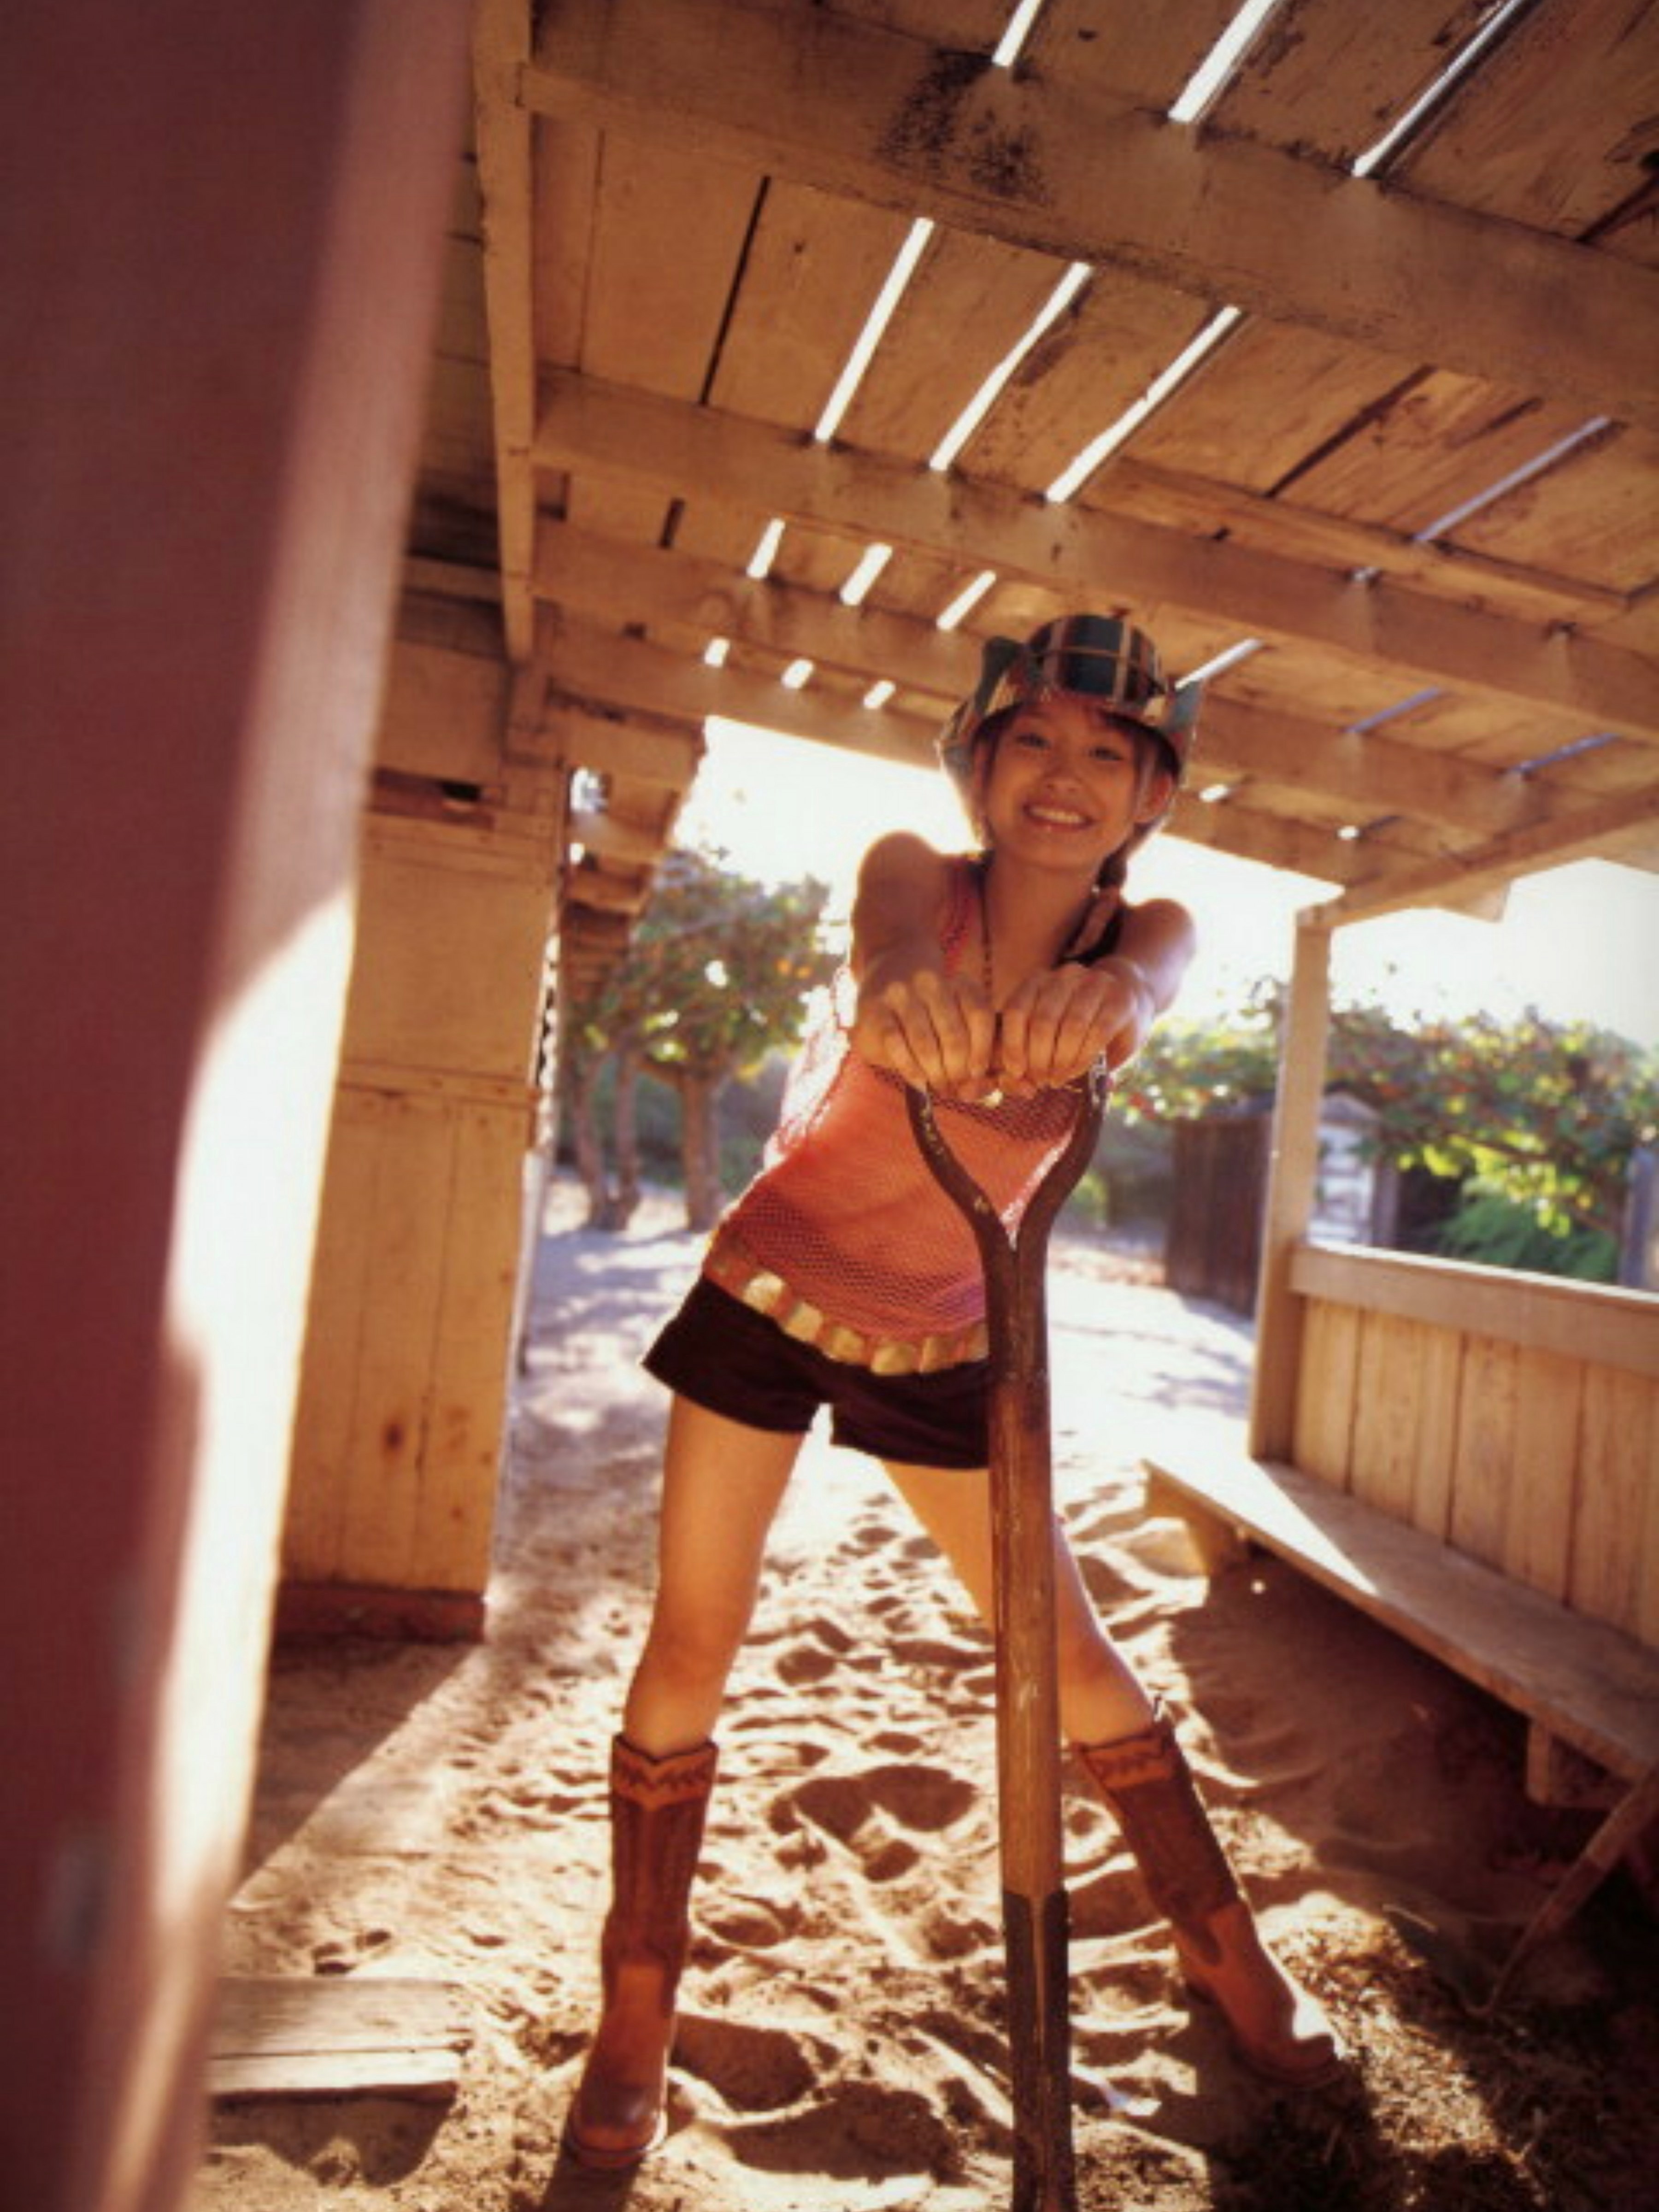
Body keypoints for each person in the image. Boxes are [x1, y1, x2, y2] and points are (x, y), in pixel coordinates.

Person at [564, 614, 1342, 2169]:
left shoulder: (1149, 925)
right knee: (692, 1640)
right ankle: (637, 1998)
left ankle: (1224, 1951)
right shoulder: (916, 870)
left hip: (947, 1331)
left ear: (1151, 798)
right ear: (976, 769)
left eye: (1108, 753)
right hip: (770, 1293)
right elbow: (890, 946)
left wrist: (1115, 1006)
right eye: (1030, 740)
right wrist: (902, 986)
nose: (1064, 774)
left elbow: (1154, 977)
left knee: (1069, 1648)